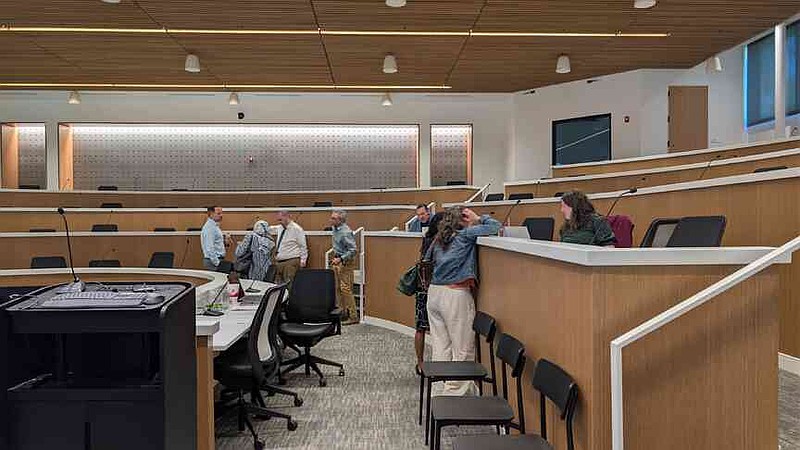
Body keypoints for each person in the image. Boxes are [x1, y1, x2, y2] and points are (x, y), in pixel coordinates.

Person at [424, 206, 501, 396]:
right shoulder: (465, 235)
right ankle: (455, 393)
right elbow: (495, 226)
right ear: (463, 220)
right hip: (454, 294)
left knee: (441, 345)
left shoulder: (438, 239)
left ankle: (439, 388)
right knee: (462, 346)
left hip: (434, 294)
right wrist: (478, 217)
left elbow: (427, 260)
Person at [414, 212, 442, 375]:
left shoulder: (426, 239)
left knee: (420, 327)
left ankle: (420, 363)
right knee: (437, 329)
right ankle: (437, 363)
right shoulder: (440, 242)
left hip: (422, 289)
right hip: (432, 288)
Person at [329, 209, 358, 325]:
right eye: (331, 217)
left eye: (333, 218)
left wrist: (341, 259)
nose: (331, 220)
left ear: (340, 220)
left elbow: (353, 250)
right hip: (337, 260)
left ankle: (353, 316)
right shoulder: (335, 229)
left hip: (344, 262)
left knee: (345, 289)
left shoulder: (346, 232)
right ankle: (343, 313)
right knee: (337, 288)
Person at [271, 210, 308, 285]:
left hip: (291, 262)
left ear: (287, 217)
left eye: (280, 220)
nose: (279, 222)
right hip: (279, 262)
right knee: (278, 286)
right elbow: (269, 229)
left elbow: (303, 246)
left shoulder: (297, 229)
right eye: (278, 220)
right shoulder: (280, 228)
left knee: (289, 285)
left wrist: (303, 260)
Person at [201, 206, 233, 271]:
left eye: (221, 213)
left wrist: (225, 242)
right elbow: (209, 248)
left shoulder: (215, 226)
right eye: (218, 213)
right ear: (211, 214)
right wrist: (217, 263)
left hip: (216, 260)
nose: (221, 215)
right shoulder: (210, 228)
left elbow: (216, 244)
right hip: (213, 261)